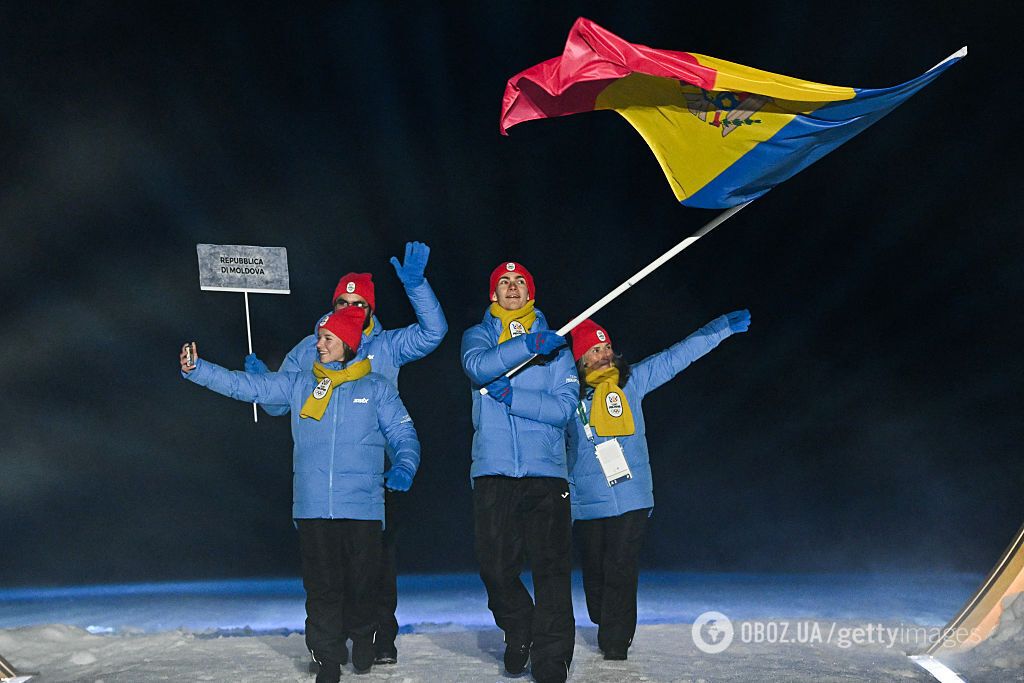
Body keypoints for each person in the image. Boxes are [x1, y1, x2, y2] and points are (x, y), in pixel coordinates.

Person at [180, 306, 421, 681]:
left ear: (348, 344)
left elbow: (404, 434)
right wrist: (199, 370)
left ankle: (363, 635)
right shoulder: (300, 384)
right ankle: (327, 658)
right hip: (313, 506)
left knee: (362, 585)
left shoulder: (376, 388)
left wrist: (405, 465)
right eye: (319, 337)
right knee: (322, 588)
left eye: (327, 339)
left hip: (362, 506)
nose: (318, 345)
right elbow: (249, 387)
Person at [245, 241, 446, 665]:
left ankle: (379, 637)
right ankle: (331, 644)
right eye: (344, 302)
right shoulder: (311, 346)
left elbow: (433, 333)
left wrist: (416, 287)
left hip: (381, 468)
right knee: (329, 569)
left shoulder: (388, 345)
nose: (352, 308)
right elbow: (281, 403)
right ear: (333, 304)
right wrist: (263, 380)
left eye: (359, 303)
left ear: (371, 308)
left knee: (377, 564)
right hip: (328, 475)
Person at [566, 311, 751, 661]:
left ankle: (616, 643)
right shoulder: (567, 397)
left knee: (621, 566)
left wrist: (720, 329)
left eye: (607, 347)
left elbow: (676, 355)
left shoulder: (631, 382)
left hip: (632, 495)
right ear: (580, 360)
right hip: (588, 500)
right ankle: (607, 620)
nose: (604, 354)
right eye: (595, 350)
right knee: (596, 574)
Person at [460, 262, 579, 683]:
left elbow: (564, 408)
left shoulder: (557, 347)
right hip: (493, 471)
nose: (512, 288)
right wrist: (528, 345)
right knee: (495, 569)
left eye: (520, 282)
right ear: (493, 294)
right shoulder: (478, 335)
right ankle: (520, 626)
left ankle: (552, 658)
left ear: (531, 293)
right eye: (504, 283)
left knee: (551, 569)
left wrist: (515, 398)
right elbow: (479, 367)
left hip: (546, 472)